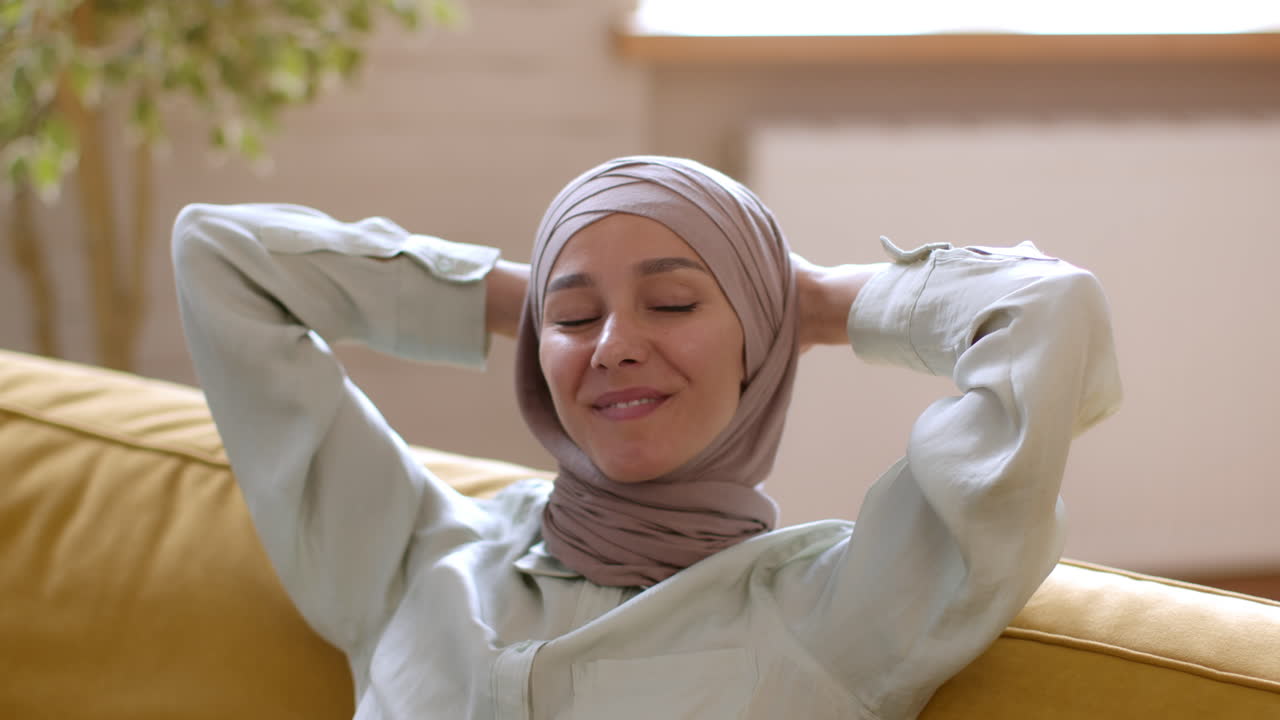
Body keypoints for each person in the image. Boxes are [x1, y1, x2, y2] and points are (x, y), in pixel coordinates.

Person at [172, 156, 1121, 719]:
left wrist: (821, 305)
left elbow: (1049, 311)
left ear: (761, 330)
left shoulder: (847, 611)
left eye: (673, 301)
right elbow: (219, 255)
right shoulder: (409, 554)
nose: (617, 348)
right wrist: (519, 294)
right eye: (577, 320)